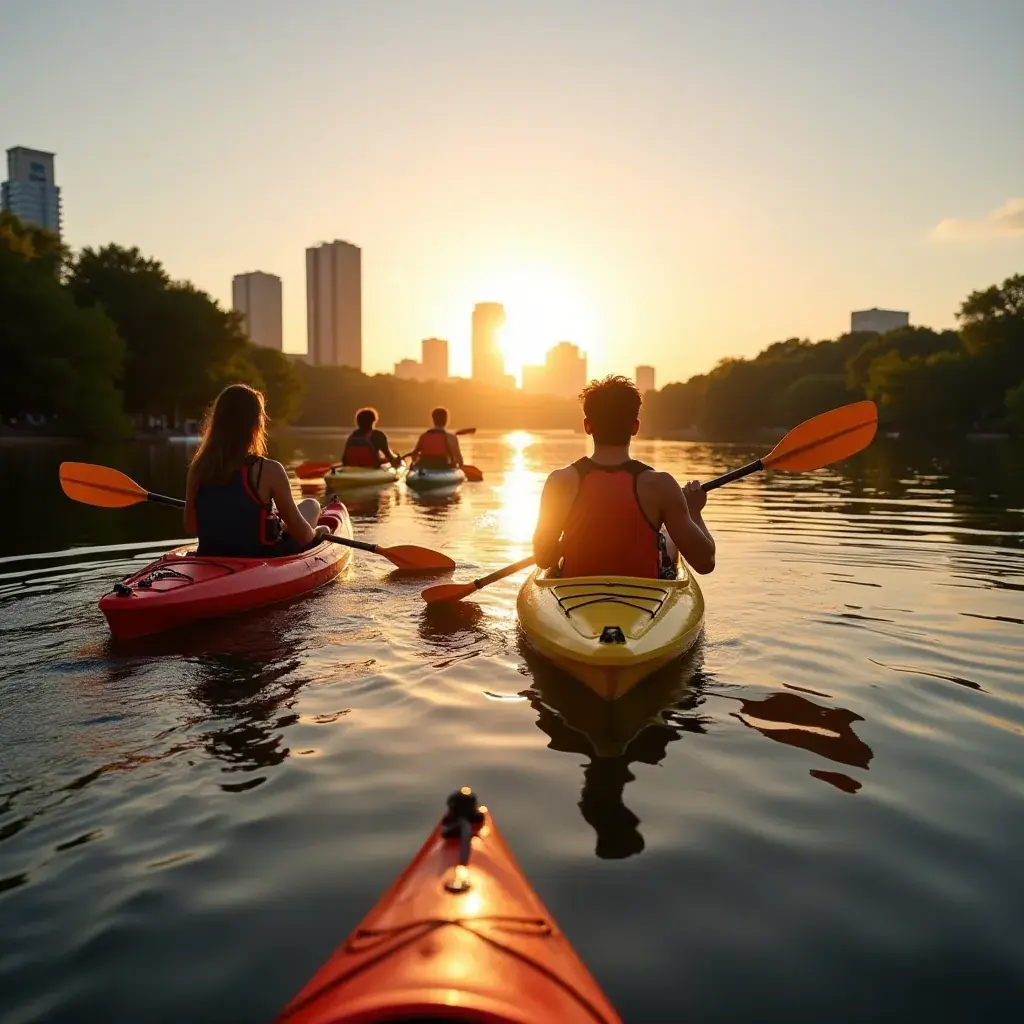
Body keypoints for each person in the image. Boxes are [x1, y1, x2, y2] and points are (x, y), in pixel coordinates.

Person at [532, 375, 715, 579]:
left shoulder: (560, 481)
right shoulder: (661, 485)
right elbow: (705, 563)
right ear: (635, 427)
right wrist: (694, 511)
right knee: (669, 540)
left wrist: (571, 542)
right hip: (645, 601)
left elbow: (543, 558)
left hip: (575, 598)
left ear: (587, 426)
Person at [184, 384, 330, 557]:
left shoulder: (199, 467)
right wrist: (317, 532)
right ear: (256, 424)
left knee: (311, 506)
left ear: (217, 422)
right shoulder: (268, 470)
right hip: (262, 557)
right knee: (313, 506)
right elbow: (303, 536)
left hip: (211, 554)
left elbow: (191, 526)